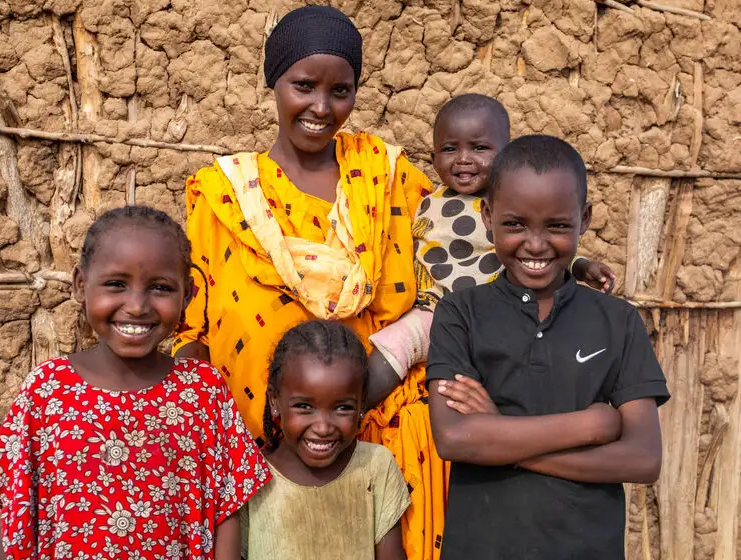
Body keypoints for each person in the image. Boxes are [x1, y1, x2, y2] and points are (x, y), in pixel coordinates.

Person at [173, 5, 442, 560]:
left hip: (387, 441)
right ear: (274, 82)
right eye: (303, 85)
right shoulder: (223, 195)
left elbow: (462, 265)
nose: (321, 107)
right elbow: (193, 334)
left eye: (340, 91)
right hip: (259, 458)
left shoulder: (389, 177)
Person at [0, 206, 269, 560]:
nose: (137, 306)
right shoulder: (47, 390)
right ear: (81, 285)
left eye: (160, 288)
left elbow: (225, 510)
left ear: (188, 296)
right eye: (116, 285)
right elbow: (17, 514)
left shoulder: (202, 391)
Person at [426, 135, 671, 559]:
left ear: (584, 219)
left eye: (556, 226)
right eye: (515, 224)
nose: (535, 245)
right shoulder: (460, 314)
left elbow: (642, 458)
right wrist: (590, 427)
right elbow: (455, 438)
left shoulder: (618, 322)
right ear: (487, 216)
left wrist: (500, 435)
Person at [368, 94, 615, 380]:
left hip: (494, 316)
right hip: (434, 313)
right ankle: (359, 415)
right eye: (450, 149)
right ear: (433, 158)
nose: (463, 159)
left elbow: (543, 249)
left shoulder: (511, 207)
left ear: (506, 155)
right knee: (392, 347)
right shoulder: (424, 201)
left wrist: (583, 267)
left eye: (479, 148)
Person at [243, 319, 409, 560]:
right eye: (304, 406)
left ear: (362, 404)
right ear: (274, 401)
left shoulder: (375, 466)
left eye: (342, 408)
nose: (322, 428)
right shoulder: (250, 477)